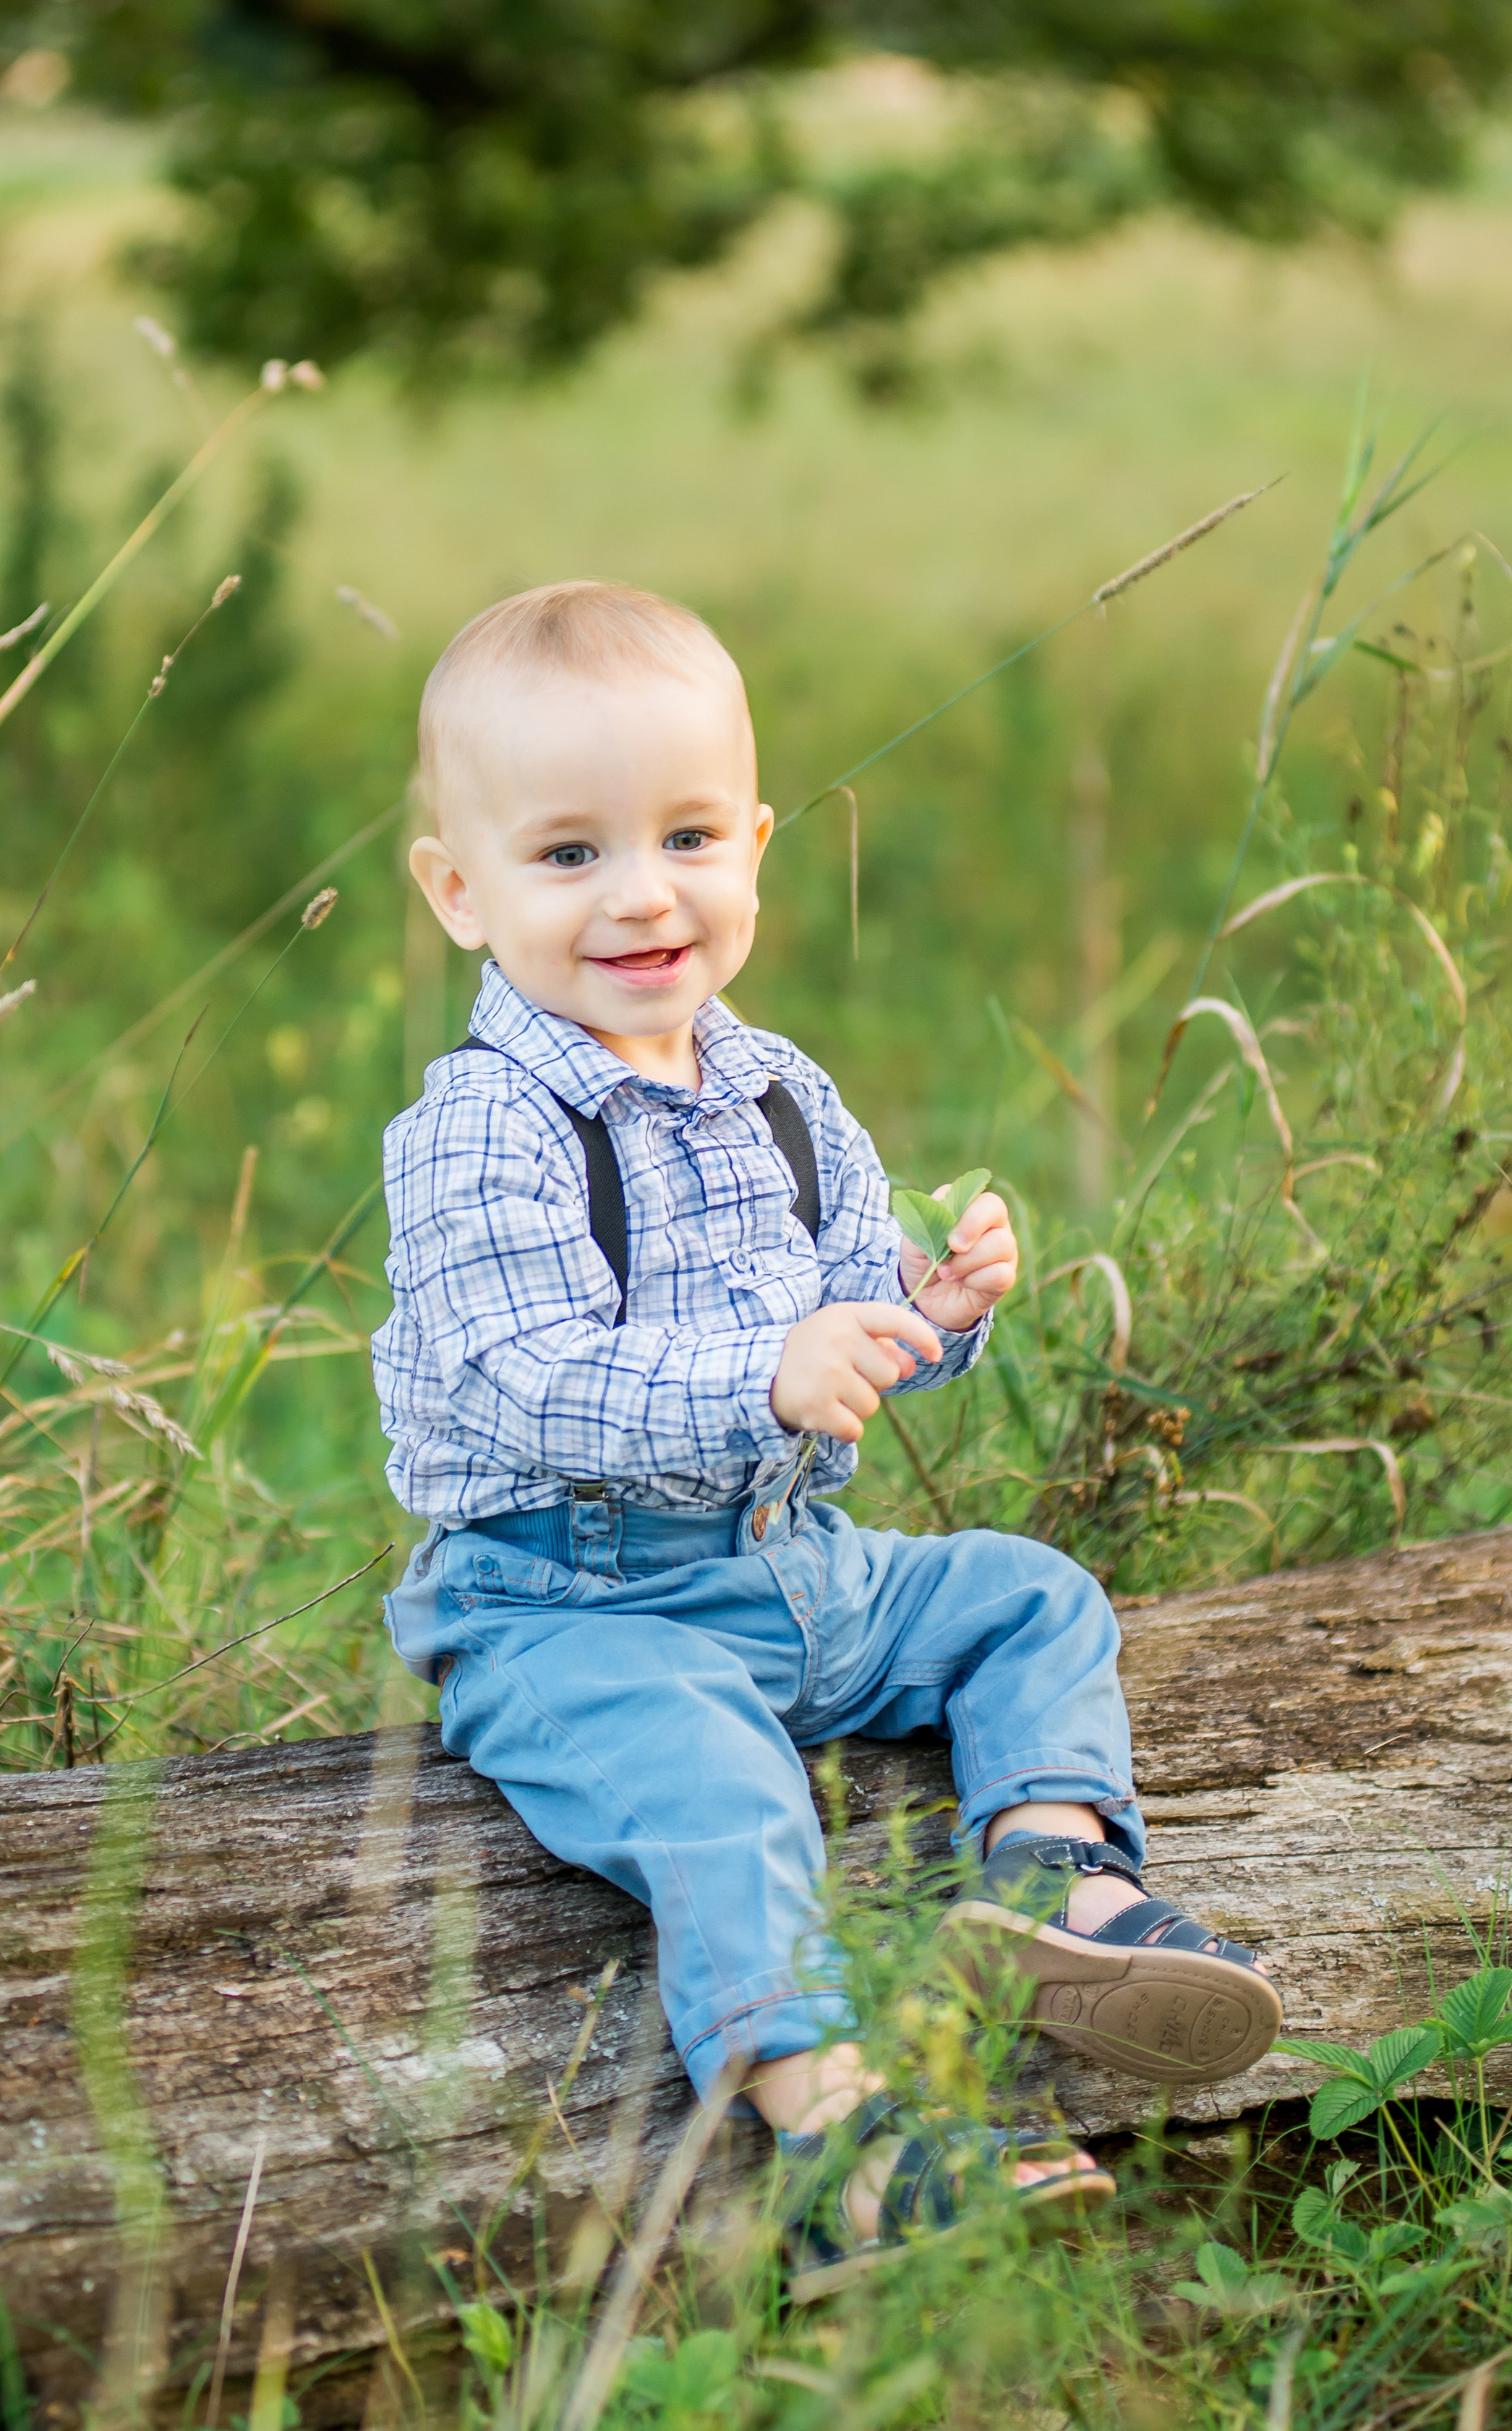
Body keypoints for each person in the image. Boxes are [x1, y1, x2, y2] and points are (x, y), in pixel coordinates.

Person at [375, 579, 1278, 2281]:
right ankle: (834, 2137)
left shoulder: (780, 1085)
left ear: (757, 844)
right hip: (570, 1607)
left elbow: (842, 1333)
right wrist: (761, 1370)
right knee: (724, 1796)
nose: (643, 894)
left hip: (793, 1565)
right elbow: (519, 1373)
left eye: (689, 835)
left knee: (1028, 1594)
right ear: (457, 889)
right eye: (568, 855)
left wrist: (930, 1309)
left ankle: (1045, 1876)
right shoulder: (473, 1131)